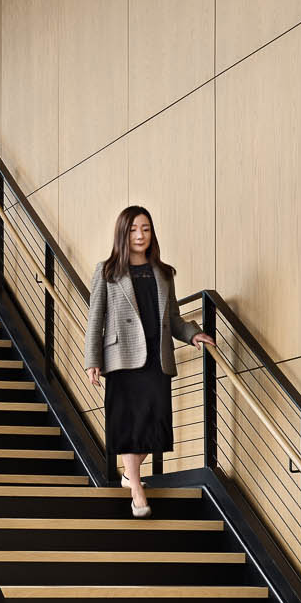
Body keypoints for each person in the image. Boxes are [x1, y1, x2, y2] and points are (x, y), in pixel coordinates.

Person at [84, 205, 212, 517]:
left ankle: (129, 474)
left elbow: (173, 318)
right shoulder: (107, 271)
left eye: (146, 229)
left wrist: (193, 334)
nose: (140, 235)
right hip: (122, 357)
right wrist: (93, 360)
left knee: (154, 426)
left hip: (157, 355)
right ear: (122, 233)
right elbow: (95, 318)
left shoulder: (163, 273)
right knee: (129, 423)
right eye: (133, 229)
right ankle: (137, 490)